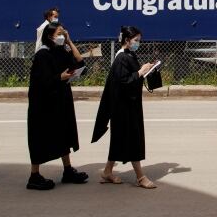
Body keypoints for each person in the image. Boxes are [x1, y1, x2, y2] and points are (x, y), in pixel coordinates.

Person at [92, 26, 156, 188]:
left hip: (128, 105)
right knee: (133, 139)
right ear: (127, 40)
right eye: (136, 40)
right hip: (123, 107)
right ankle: (140, 177)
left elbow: (130, 77)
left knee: (119, 140)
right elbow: (124, 82)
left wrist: (146, 71)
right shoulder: (122, 58)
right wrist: (140, 73)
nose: (138, 43)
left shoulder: (129, 55)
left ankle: (107, 172)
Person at [26, 22, 88, 190]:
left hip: (61, 100)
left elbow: (80, 63)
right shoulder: (42, 55)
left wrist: (69, 42)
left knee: (64, 134)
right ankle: (34, 175)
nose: (62, 35)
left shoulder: (61, 51)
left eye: (64, 33)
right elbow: (40, 82)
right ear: (49, 36)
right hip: (44, 104)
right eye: (59, 33)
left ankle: (67, 170)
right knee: (40, 138)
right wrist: (59, 77)